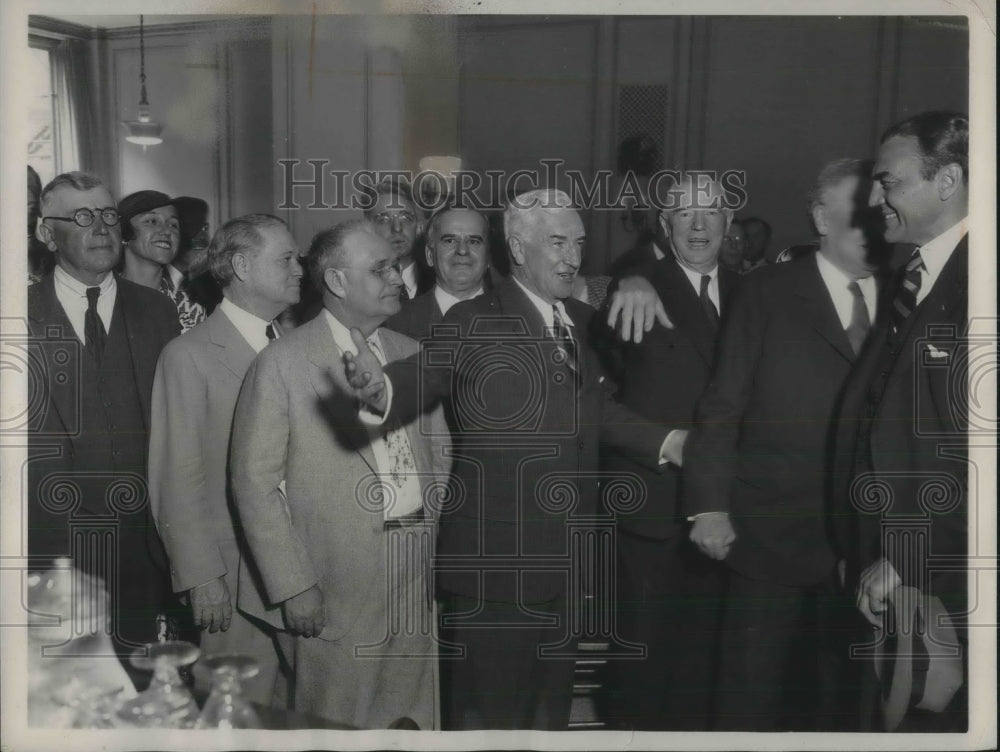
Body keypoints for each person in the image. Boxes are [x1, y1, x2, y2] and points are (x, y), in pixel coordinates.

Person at [331, 189, 680, 730]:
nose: (573, 257)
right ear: (517, 248)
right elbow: (423, 375)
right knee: (489, 723)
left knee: (548, 721)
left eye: (579, 244)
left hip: (565, 563)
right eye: (557, 242)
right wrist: (381, 390)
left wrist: (669, 442)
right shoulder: (475, 318)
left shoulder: (583, 322)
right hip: (495, 570)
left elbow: (599, 411)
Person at [684, 158, 885, 730]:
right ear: (821, 217)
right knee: (751, 696)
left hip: (866, 548)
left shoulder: (905, 294)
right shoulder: (765, 293)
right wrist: (711, 505)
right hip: (767, 534)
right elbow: (722, 406)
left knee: (842, 705)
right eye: (859, 213)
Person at [229, 219, 450, 729]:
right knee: (335, 725)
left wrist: (432, 533)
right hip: (334, 582)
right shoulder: (282, 364)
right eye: (380, 269)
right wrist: (293, 586)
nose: (397, 277)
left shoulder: (410, 353)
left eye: (394, 266)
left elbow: (439, 454)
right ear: (336, 282)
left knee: (411, 721)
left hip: (415, 569)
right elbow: (254, 485)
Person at [832, 111, 969, 732]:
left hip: (948, 575)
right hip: (894, 568)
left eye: (889, 182)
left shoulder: (983, 280)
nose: (875, 197)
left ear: (948, 182)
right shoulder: (912, 276)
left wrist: (912, 555)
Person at [599, 175, 740, 730]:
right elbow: (598, 396)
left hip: (734, 509)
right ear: (665, 226)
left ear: (729, 221)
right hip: (654, 510)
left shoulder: (760, 293)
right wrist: (629, 277)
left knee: (709, 670)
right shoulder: (635, 288)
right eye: (684, 214)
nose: (699, 224)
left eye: (711, 212)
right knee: (644, 674)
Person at [147, 214, 302, 705]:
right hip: (232, 581)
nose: (300, 268)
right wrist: (201, 577)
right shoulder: (188, 355)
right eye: (286, 259)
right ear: (241, 266)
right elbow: (177, 477)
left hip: (297, 571)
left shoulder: (298, 348)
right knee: (235, 714)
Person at [27, 171, 180, 665]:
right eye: (83, 217)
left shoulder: (158, 312)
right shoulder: (17, 315)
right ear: (47, 234)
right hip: (51, 552)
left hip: (146, 549)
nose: (102, 228)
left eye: (110, 216)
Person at [385, 204, 491, 341]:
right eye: (450, 241)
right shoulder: (394, 323)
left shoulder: (514, 317)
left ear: (487, 257)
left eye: (474, 241)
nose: (463, 250)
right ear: (429, 255)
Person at [117, 190, 210, 332]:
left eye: (173, 225)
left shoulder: (190, 308)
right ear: (124, 232)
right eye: (152, 221)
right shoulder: (102, 297)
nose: (167, 231)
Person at [364, 176, 431, 300]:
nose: (397, 228)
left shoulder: (437, 282)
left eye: (405, 218)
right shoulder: (356, 286)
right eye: (383, 220)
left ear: (418, 227)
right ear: (368, 228)